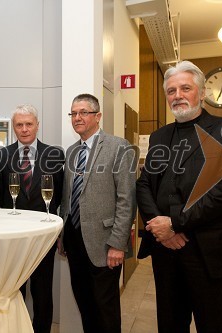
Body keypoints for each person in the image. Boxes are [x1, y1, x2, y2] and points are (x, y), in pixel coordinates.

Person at [136, 60, 222, 333]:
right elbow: (144, 185)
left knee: (214, 326)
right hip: (166, 252)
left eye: (185, 88)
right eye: (171, 91)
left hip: (206, 251)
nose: (178, 95)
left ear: (202, 92)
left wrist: (174, 224)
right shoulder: (160, 136)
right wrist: (160, 228)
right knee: (170, 325)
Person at [58, 93, 136, 332]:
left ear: (98, 116)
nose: (77, 118)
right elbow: (67, 197)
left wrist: (118, 244)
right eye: (73, 113)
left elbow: (127, 199)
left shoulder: (118, 147)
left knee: (105, 307)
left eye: (84, 112)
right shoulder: (71, 151)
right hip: (75, 240)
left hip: (105, 243)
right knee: (85, 302)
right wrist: (63, 235)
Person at [0, 104, 64, 333]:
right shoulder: (0, 155)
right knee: (14, 289)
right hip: (11, 236)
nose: (24, 129)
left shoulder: (54, 154)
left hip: (44, 236)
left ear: (37, 125)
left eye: (29, 124)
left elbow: (60, 195)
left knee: (43, 291)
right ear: (13, 127)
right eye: (19, 125)